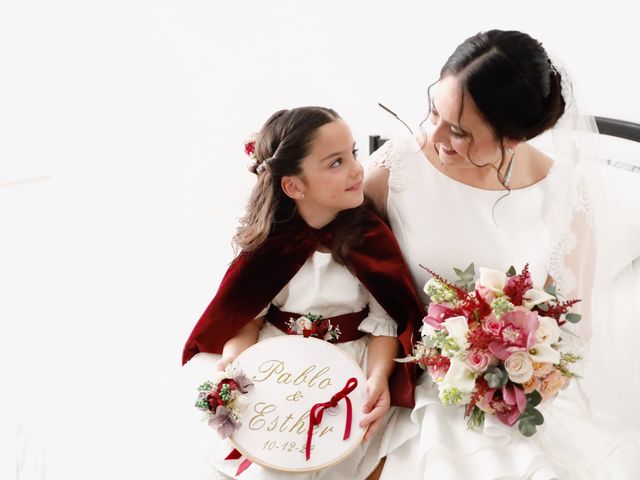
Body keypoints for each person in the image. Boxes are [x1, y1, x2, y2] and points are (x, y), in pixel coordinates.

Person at [364, 29, 640, 479]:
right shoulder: (392, 171)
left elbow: (574, 329)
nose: (433, 136)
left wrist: (518, 374)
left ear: (511, 139)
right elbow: (347, 280)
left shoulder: (564, 193)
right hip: (410, 375)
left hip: (517, 390)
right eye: (434, 109)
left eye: (459, 132)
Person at [182, 106, 424, 480]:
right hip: (278, 364)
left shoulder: (370, 239)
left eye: (354, 154)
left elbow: (385, 321)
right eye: (335, 163)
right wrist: (232, 365)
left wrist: (378, 378)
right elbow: (247, 315)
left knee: (337, 455)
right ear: (294, 186)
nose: (358, 169)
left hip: (347, 366)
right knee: (273, 460)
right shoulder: (269, 246)